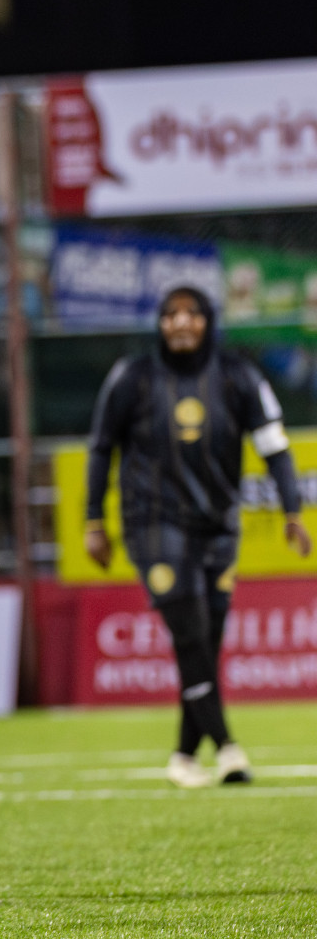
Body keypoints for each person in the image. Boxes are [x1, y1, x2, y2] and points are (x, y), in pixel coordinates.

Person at [85, 286, 309, 789]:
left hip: (220, 525)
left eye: (191, 314)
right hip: (152, 524)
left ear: (208, 321)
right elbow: (100, 449)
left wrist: (292, 509)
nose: (180, 323)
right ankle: (228, 748)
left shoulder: (239, 375)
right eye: (170, 314)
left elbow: (275, 445)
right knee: (189, 633)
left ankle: (185, 755)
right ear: (159, 324)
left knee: (205, 639)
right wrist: (93, 520)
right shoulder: (132, 377)